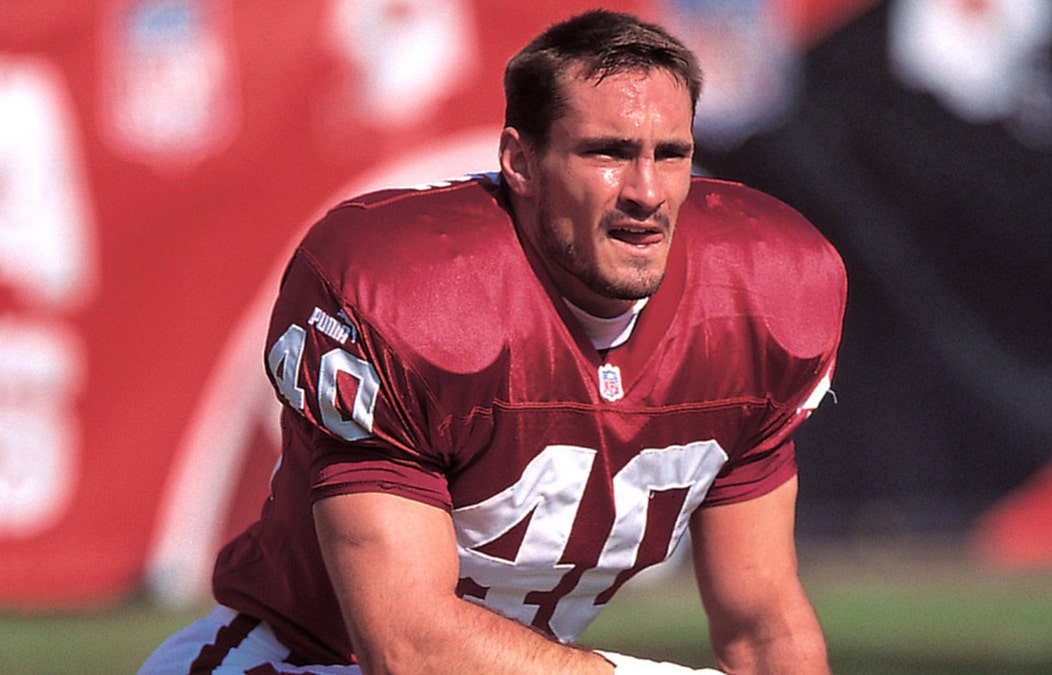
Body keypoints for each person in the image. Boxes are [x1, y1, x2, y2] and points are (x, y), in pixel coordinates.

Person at [139, 9, 844, 675]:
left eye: (672, 154)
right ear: (521, 162)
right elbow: (407, 645)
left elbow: (763, 624)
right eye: (608, 152)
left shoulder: (761, 296)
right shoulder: (414, 294)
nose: (646, 190)